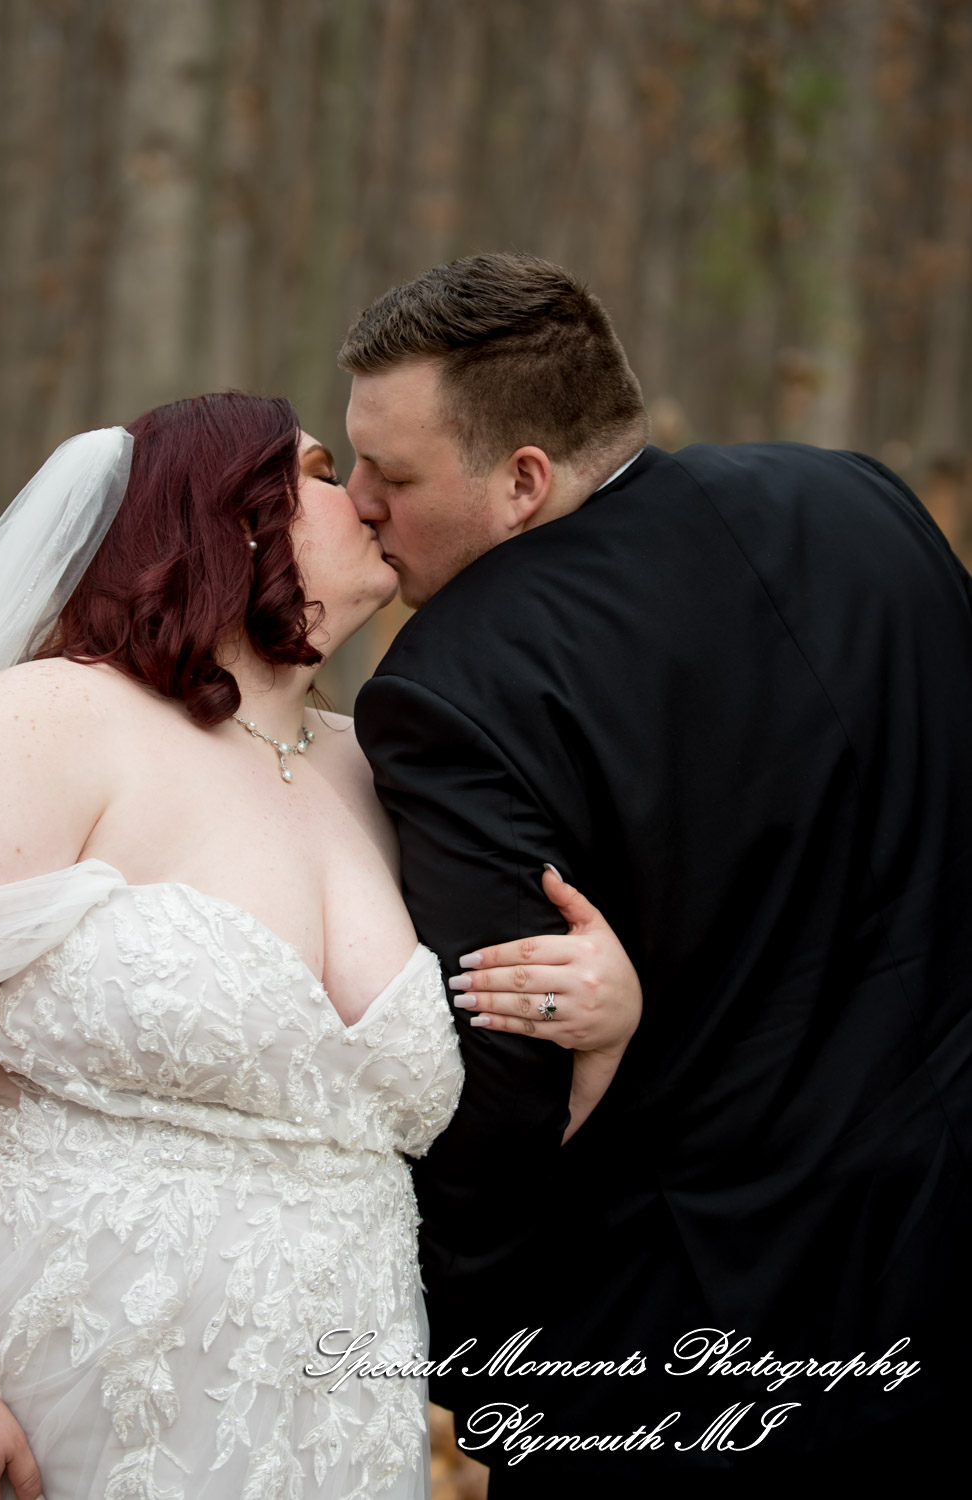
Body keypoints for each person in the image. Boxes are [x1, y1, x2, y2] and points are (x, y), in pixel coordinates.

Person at [0, 392, 641, 1500]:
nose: (364, 498)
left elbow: (475, 1097)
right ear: (233, 519)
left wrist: (603, 1009)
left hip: (337, 1404)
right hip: (64, 1390)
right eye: (324, 474)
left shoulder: (388, 767)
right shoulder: (52, 720)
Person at [342, 252, 972, 1486]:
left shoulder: (452, 685)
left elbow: (501, 1069)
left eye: (393, 475)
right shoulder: (859, 504)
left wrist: (480, 1357)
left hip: (685, 1338)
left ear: (521, 480)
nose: (358, 499)